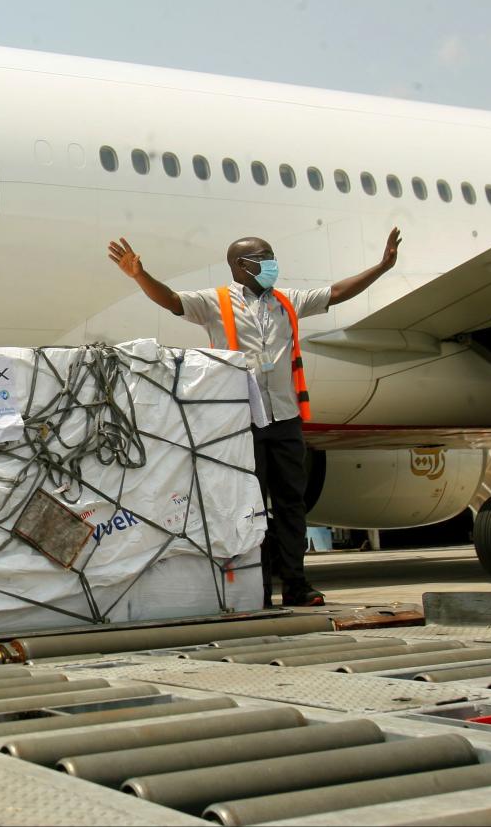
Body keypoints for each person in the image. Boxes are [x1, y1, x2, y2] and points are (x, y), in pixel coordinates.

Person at [107, 228, 402, 608]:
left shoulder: (287, 300)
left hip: (284, 418)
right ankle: (257, 590)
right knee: (249, 506)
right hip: (242, 422)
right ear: (240, 265)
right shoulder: (215, 302)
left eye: (271, 256)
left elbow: (337, 293)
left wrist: (382, 266)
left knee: (291, 503)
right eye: (262, 258)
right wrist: (140, 275)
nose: (270, 264)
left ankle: (297, 584)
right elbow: (173, 302)